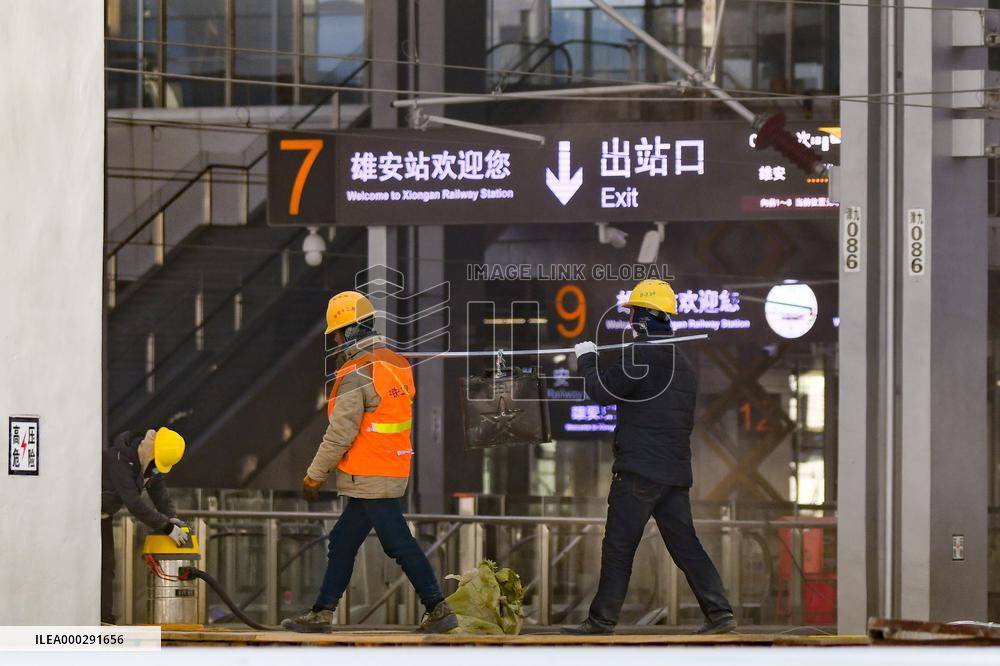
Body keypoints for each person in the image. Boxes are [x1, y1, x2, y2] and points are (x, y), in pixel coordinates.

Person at [562, 279, 736, 636]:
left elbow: (601, 391)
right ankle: (719, 613)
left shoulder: (641, 354)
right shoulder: (684, 363)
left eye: (634, 314)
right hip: (673, 473)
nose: (630, 321)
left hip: (639, 470)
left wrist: (587, 359)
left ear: (644, 316)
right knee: (686, 545)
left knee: (618, 546)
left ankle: (600, 621)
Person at [282, 290, 457, 634]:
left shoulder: (356, 372)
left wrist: (314, 476)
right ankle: (322, 612)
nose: (333, 338)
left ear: (350, 332)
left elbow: (340, 434)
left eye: (337, 331)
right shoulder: (396, 363)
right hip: (391, 466)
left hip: (369, 472)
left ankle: (438, 607)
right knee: (344, 539)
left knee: (398, 543)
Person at [101, 427, 188, 624]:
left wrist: (170, 517)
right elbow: (134, 503)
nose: (156, 469)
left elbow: (159, 492)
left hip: (103, 516)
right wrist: (166, 527)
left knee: (107, 566)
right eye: (156, 464)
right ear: (151, 451)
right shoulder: (119, 461)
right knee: (95, 566)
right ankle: (91, 616)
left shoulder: (149, 465)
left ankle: (103, 618)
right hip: (84, 517)